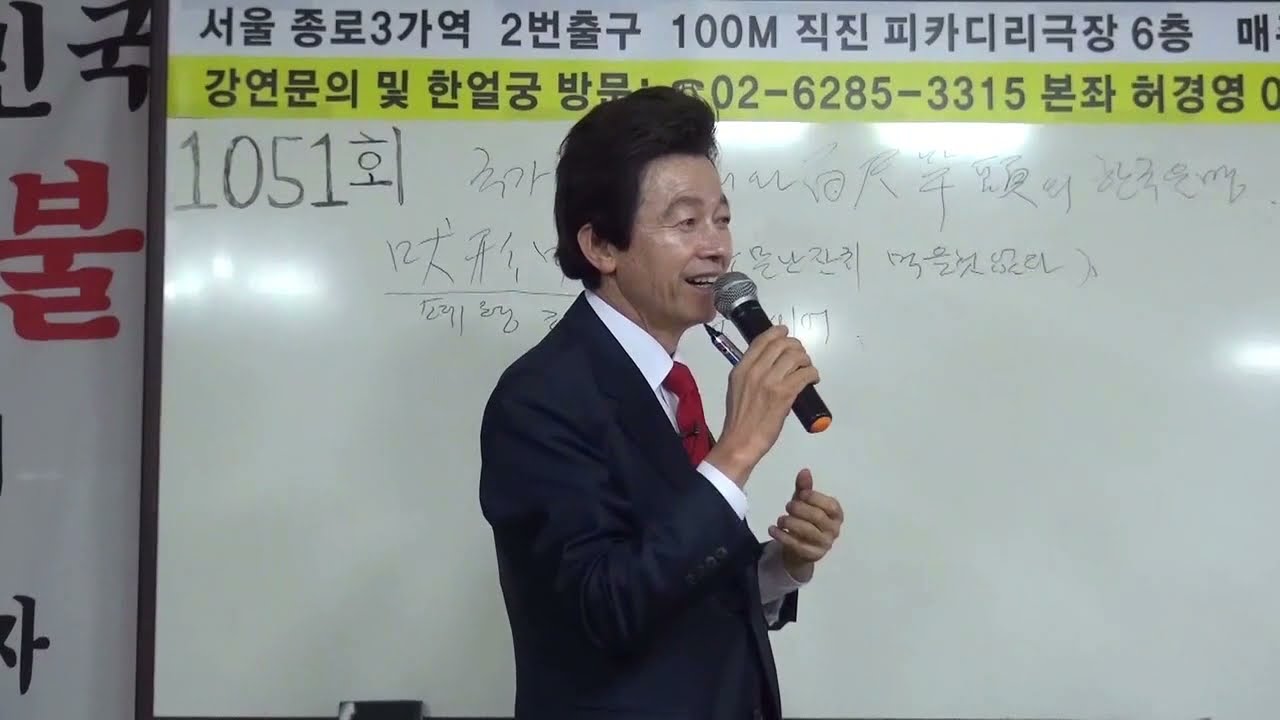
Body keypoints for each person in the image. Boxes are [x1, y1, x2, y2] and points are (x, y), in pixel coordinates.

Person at [478, 86, 845, 720]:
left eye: (721, 219)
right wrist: (737, 452)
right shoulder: (540, 398)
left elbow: (681, 587)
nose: (717, 247)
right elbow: (602, 609)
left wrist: (781, 566)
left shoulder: (668, 385)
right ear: (602, 247)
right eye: (686, 222)